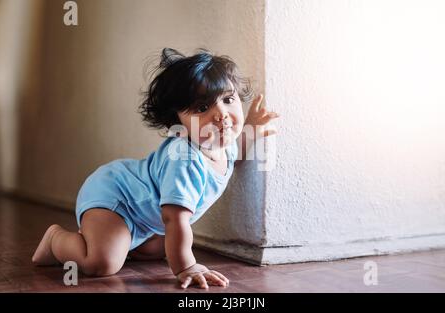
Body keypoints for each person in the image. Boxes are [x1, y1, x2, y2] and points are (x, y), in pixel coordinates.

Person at [32, 48, 279, 289]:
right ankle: (56, 240)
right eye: (203, 108)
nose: (222, 114)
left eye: (228, 99)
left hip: (145, 217)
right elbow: (175, 218)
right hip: (115, 197)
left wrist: (252, 128)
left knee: (160, 248)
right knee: (102, 263)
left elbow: (236, 157)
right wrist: (186, 267)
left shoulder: (224, 145)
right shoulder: (184, 159)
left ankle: (128, 241)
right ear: (177, 121)